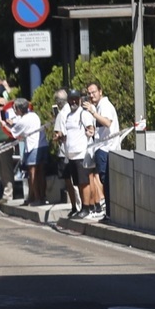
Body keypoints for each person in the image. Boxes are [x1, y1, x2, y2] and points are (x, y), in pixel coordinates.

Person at [56, 89, 97, 219]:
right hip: (71, 154)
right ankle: (82, 208)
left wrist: (90, 132)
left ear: (79, 100)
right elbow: (68, 134)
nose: (73, 101)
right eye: (71, 99)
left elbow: (91, 129)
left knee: (84, 182)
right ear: (68, 101)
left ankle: (87, 207)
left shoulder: (83, 114)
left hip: (81, 154)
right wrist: (61, 137)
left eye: (76, 99)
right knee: (77, 183)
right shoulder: (68, 116)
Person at [85, 82, 118, 218]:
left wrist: (93, 112)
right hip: (100, 147)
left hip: (107, 148)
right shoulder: (99, 106)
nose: (91, 95)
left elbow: (107, 122)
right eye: (89, 93)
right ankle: (108, 212)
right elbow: (101, 127)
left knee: (106, 181)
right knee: (104, 181)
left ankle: (109, 211)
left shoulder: (104, 105)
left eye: (94, 92)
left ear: (100, 91)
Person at [7, 98, 48, 205]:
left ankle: (38, 198)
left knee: (32, 173)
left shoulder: (23, 120)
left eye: (15, 108)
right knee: (41, 173)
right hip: (42, 145)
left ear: (19, 109)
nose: (14, 110)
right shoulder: (33, 115)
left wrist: (3, 124)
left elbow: (13, 133)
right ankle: (38, 196)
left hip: (32, 147)